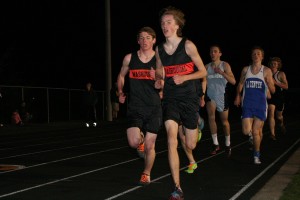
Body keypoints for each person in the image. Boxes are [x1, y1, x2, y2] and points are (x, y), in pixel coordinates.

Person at [153, 6, 207, 200]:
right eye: (162, 23)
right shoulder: (159, 50)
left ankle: (196, 128)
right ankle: (177, 187)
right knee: (171, 139)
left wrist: (185, 78)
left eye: (168, 22)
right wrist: (159, 81)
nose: (164, 26)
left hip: (189, 98)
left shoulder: (188, 45)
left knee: (190, 144)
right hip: (170, 99)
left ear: (177, 25)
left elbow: (203, 72)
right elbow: (161, 73)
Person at [117, 26, 162, 186]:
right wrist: (120, 91)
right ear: (138, 41)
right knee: (133, 142)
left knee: (151, 146)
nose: (144, 41)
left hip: (154, 107)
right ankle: (140, 139)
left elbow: (161, 85)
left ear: (154, 40)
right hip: (135, 106)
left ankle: (146, 173)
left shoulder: (158, 60)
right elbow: (121, 76)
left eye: (148, 38)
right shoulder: (129, 58)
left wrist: (156, 78)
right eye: (141, 38)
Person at [234, 46, 275, 165]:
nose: (256, 55)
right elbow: (240, 84)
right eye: (254, 54)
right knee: (246, 131)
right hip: (247, 104)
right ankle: (251, 136)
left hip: (261, 105)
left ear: (262, 57)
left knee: (257, 131)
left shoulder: (266, 71)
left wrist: (269, 83)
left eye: (258, 54)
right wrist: (238, 95)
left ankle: (256, 155)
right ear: (251, 56)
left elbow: (272, 91)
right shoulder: (246, 70)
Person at [204, 45, 236, 157]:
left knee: (224, 122)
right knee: (211, 117)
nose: (213, 53)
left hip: (222, 96)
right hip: (210, 95)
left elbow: (233, 81)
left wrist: (222, 73)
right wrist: (201, 95)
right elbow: (203, 82)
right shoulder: (207, 66)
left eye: (215, 51)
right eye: (211, 52)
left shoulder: (225, 65)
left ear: (220, 54)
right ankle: (215, 144)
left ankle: (227, 144)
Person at [267, 57, 288, 140]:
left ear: (278, 65)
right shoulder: (267, 73)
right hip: (271, 97)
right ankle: (272, 134)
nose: (273, 65)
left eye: (275, 64)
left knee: (279, 117)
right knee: (271, 113)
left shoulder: (281, 74)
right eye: (272, 63)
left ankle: (281, 124)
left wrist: (275, 82)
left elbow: (286, 86)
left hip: (279, 97)